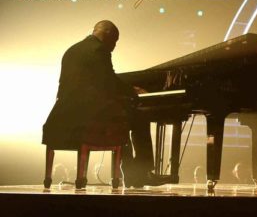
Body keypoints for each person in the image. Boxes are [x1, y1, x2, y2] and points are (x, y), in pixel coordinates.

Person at [42, 20, 167, 187]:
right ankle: (141, 173)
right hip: (87, 114)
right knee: (139, 118)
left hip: (62, 112)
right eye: (115, 41)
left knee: (122, 121)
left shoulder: (72, 50)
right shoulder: (99, 50)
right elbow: (109, 82)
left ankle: (132, 174)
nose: (114, 46)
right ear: (108, 35)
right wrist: (133, 91)